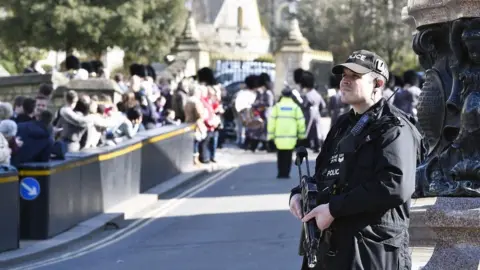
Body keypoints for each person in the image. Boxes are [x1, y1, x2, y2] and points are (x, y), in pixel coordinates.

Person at [289, 50, 422, 269]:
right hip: (327, 250)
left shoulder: (394, 128)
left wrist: (334, 209)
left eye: (355, 76)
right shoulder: (342, 124)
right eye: (343, 75)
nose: (345, 81)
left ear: (378, 83)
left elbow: (395, 185)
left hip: (369, 254)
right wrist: (298, 194)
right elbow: (326, 174)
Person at [267, 87, 306, 179]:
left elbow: (271, 122)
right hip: (291, 137)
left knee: (280, 156)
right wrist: (301, 136)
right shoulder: (295, 107)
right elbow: (301, 122)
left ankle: (280, 173)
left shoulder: (277, 107)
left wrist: (270, 136)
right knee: (288, 156)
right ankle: (286, 173)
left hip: (278, 137)